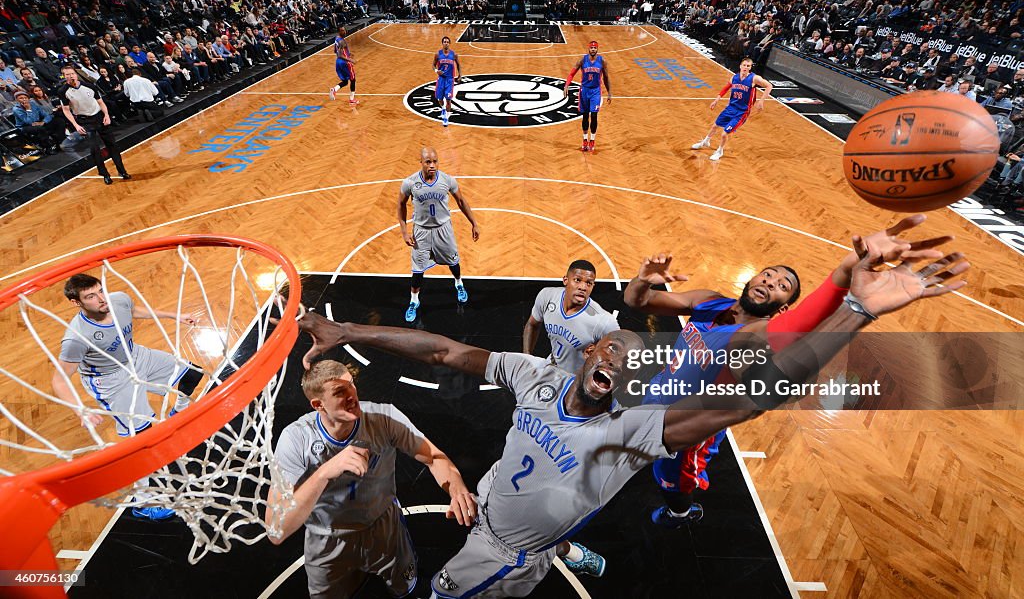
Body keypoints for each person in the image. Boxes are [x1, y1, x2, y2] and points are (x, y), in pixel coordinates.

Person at [284, 218, 968, 598]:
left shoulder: (640, 426)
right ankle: (564, 542)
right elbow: (443, 351)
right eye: (605, 347)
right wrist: (349, 331)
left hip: (503, 552)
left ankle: (550, 548)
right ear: (584, 354)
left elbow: (756, 394)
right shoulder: (538, 375)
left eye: (622, 354)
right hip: (494, 492)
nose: (611, 355)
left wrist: (854, 306)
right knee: (503, 482)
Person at [622, 215, 948, 526]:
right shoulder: (709, 301)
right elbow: (637, 302)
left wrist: (848, 267)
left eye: (782, 285)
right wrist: (641, 281)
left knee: (672, 484)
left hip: (688, 428)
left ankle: (681, 513)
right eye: (769, 274)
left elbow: (797, 325)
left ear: (783, 307)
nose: (771, 281)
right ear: (752, 278)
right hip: (654, 395)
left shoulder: (756, 334)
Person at [265, 360, 477, 598]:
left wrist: (457, 488)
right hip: (328, 538)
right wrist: (325, 472)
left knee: (407, 590)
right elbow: (277, 530)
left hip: (383, 527)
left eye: (351, 385)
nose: (352, 395)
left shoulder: (384, 417)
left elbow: (434, 457)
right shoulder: (295, 439)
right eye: (339, 392)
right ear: (318, 405)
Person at [53, 274, 204, 520]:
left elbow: (137, 310)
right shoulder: (76, 338)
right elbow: (59, 379)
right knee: (142, 439)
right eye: (91, 296)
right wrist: (80, 409)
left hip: (135, 356)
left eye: (100, 291)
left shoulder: (118, 300)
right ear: (76, 302)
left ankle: (178, 411)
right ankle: (142, 502)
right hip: (110, 380)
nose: (101, 299)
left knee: (191, 374)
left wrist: (173, 316)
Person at [397, 147, 480, 322]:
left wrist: (474, 222)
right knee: (417, 270)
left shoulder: (447, 180)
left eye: (435, 161)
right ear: (421, 162)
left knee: (454, 262)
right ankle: (414, 301)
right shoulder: (410, 183)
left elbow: (461, 201)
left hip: (444, 229)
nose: (432, 165)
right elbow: (400, 205)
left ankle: (459, 283)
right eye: (428, 162)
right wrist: (404, 232)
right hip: (421, 231)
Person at [522, 260, 618, 373]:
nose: (583, 287)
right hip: (552, 368)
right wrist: (527, 358)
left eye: (589, 283)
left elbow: (620, 355)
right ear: (565, 280)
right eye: (577, 280)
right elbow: (532, 325)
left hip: (579, 380)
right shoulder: (547, 296)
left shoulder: (604, 321)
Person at [55, 65, 131, 184]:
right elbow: (66, 110)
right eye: (67, 75)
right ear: (64, 77)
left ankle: (122, 170)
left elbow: (100, 102)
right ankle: (105, 174)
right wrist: (76, 125)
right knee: (94, 149)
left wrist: (106, 115)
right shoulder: (63, 91)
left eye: (72, 73)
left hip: (99, 116)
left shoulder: (89, 86)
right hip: (84, 120)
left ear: (76, 74)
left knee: (112, 145)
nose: (71, 76)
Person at [692, 57, 773, 161]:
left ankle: (719, 151)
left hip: (742, 112)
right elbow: (726, 88)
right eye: (744, 65)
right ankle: (705, 142)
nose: (745, 67)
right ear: (740, 66)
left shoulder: (754, 78)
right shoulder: (734, 78)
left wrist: (762, 100)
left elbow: (769, 86)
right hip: (730, 108)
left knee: (724, 133)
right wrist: (716, 100)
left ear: (750, 68)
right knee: (714, 126)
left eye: (748, 66)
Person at [563, 40, 612, 152]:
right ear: (588, 49)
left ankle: (592, 139)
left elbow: (606, 78)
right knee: (585, 116)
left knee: (594, 115)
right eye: (591, 48)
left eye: (595, 48)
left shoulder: (602, 61)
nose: (593, 49)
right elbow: (571, 74)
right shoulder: (582, 60)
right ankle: (585, 139)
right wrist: (566, 85)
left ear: (597, 49)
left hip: (595, 91)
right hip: (584, 91)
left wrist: (609, 92)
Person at [433, 36, 461, 127]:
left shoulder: (454, 55)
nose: (446, 43)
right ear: (442, 43)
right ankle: (443, 108)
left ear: (449, 43)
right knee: (440, 98)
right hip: (441, 79)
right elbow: (433, 65)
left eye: (447, 42)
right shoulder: (437, 54)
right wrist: (437, 71)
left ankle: (446, 118)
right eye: (444, 42)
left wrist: (460, 75)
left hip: (450, 79)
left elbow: (459, 65)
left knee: (448, 99)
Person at [329, 26, 358, 105]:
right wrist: (350, 59)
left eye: (344, 30)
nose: (344, 32)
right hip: (344, 62)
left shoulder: (336, 39)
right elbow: (340, 55)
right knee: (353, 80)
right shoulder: (342, 42)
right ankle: (352, 99)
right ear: (339, 31)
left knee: (345, 81)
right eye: (342, 30)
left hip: (338, 62)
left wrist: (348, 54)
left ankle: (334, 89)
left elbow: (335, 51)